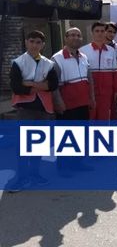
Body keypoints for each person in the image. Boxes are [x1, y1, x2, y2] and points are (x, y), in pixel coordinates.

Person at [8, 30, 59, 192]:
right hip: (25, 109)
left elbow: (53, 85)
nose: (35, 45)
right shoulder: (18, 62)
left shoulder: (48, 63)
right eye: (32, 41)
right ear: (26, 42)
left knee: (39, 144)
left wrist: (30, 84)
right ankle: (21, 178)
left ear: (43, 45)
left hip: (43, 108)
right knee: (23, 145)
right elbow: (16, 87)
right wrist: (40, 86)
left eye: (38, 42)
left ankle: (35, 174)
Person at [52, 27, 96, 176]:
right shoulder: (57, 58)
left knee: (81, 135)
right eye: (72, 35)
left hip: (82, 103)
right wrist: (58, 103)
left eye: (78, 35)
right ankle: (63, 167)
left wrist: (92, 98)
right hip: (66, 105)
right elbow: (53, 85)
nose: (76, 38)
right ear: (66, 38)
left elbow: (89, 79)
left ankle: (77, 162)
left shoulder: (83, 57)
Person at [80, 22, 117, 120]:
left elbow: (115, 73)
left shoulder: (111, 50)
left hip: (106, 93)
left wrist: (116, 91)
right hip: (90, 92)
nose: (100, 33)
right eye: (97, 31)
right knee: (90, 119)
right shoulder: (83, 50)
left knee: (104, 119)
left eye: (102, 31)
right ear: (92, 33)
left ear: (105, 33)